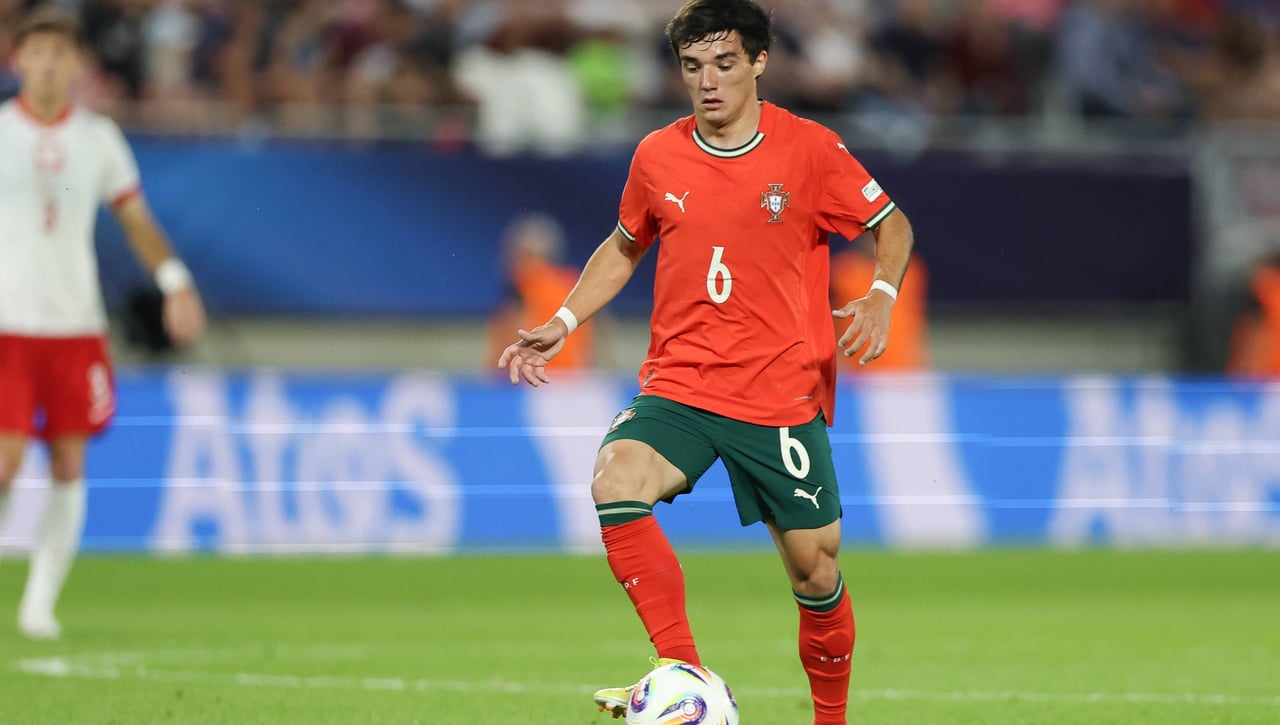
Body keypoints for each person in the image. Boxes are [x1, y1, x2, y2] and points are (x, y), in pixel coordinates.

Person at [497, 2, 914, 722]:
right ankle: (682, 668)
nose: (708, 81)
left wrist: (881, 294)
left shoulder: (810, 149)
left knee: (816, 571)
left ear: (759, 62)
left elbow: (892, 223)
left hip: (779, 392)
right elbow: (624, 244)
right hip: (681, 381)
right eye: (693, 67)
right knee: (615, 478)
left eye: (724, 63)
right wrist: (564, 320)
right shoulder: (657, 155)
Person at [0, 8, 205, 640]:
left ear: (78, 64)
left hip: (76, 326)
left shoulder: (99, 138)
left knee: (69, 463)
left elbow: (135, 220)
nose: (48, 63)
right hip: (8, 323)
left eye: (59, 52)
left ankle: (39, 605)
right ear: (18, 60)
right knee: (5, 461)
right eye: (37, 51)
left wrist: (175, 280)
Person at [485, 213, 595, 371]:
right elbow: (594, 339)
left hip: (533, 377)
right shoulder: (574, 283)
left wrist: (493, 374)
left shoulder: (522, 283)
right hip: (572, 377)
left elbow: (508, 340)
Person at [831, 238, 928, 373]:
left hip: (905, 367)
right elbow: (833, 319)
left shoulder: (908, 268)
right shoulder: (843, 271)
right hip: (858, 371)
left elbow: (915, 317)